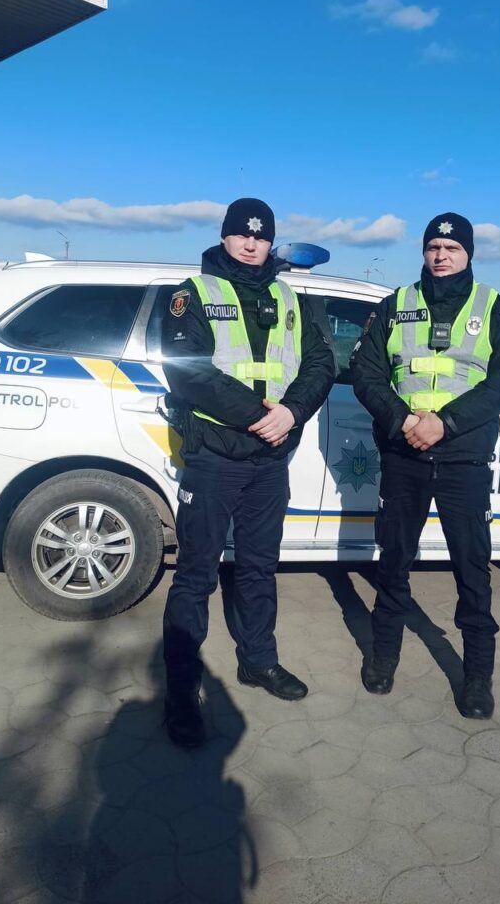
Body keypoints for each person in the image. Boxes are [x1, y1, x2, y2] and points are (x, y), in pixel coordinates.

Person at [161, 197, 335, 746]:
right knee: (196, 575)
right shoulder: (193, 293)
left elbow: (321, 363)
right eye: (242, 234)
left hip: (269, 458)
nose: (251, 243)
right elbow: (186, 371)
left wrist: (292, 412)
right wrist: (261, 416)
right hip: (216, 455)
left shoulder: (290, 298)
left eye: (261, 236)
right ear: (225, 236)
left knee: (259, 568)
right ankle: (181, 694)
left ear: (270, 242)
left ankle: (258, 661)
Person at [350, 212, 500, 719]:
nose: (441, 255)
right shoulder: (394, 305)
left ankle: (477, 677)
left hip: (462, 457)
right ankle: (384, 655)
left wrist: (444, 424)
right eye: (433, 247)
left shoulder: (495, 308)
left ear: (467, 253)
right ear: (424, 251)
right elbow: (365, 372)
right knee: (393, 561)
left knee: (472, 570)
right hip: (404, 452)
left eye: (451, 248)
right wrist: (405, 419)